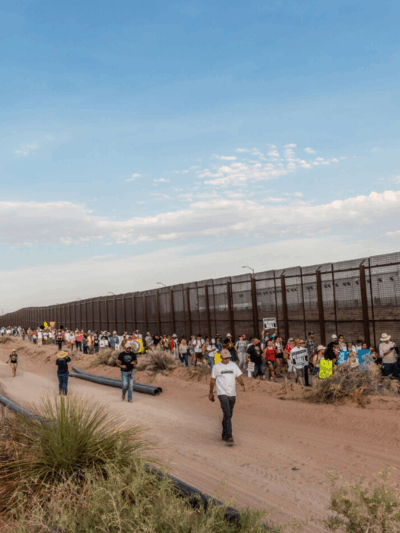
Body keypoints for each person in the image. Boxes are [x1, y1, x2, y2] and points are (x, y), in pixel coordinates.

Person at [208, 349, 246, 445]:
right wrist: (211, 392)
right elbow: (212, 380)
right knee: (227, 413)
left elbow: (238, 376)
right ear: (221, 358)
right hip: (221, 393)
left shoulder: (233, 365)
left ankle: (224, 433)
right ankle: (229, 437)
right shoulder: (216, 367)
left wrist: (242, 384)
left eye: (228, 357)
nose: (227, 359)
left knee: (228, 414)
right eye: (225, 358)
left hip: (232, 393)